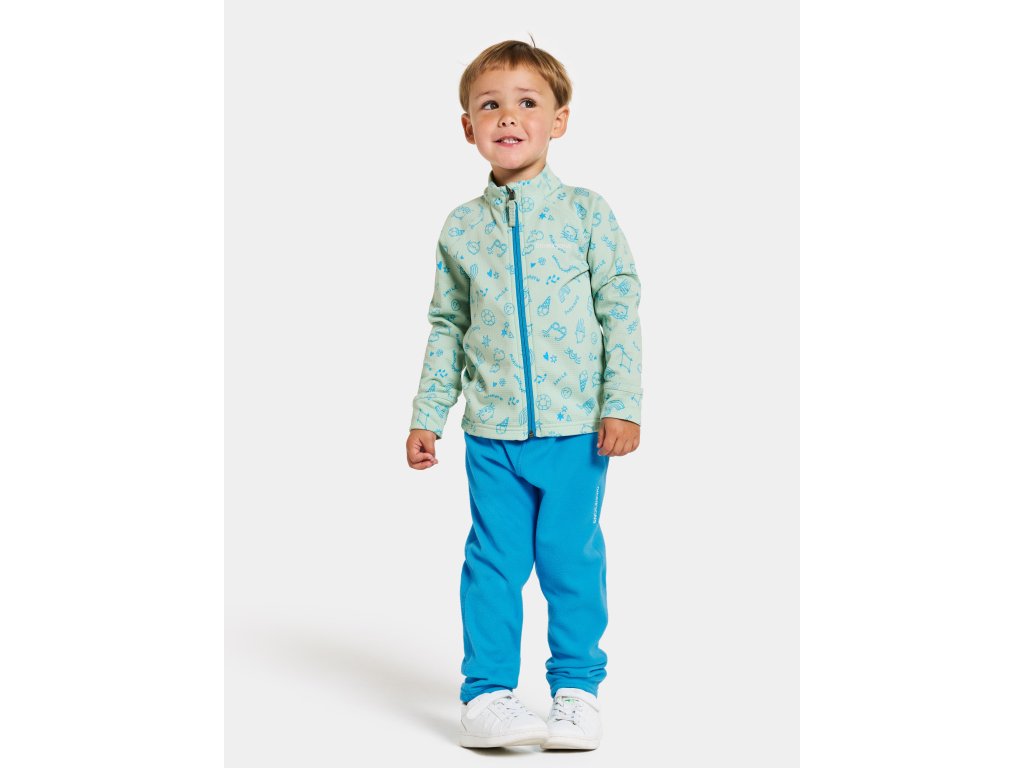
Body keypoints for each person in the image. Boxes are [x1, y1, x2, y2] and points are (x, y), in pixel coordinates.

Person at [406, 38, 643, 751]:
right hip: (493, 435)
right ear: (468, 127)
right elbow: (447, 326)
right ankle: (487, 696)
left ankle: (576, 692)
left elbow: (620, 308)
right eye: (490, 105)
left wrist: (622, 403)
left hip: (577, 432)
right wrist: (427, 415)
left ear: (559, 120)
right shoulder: (461, 227)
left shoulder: (586, 213)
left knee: (571, 561)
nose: (508, 116)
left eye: (527, 102)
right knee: (492, 564)